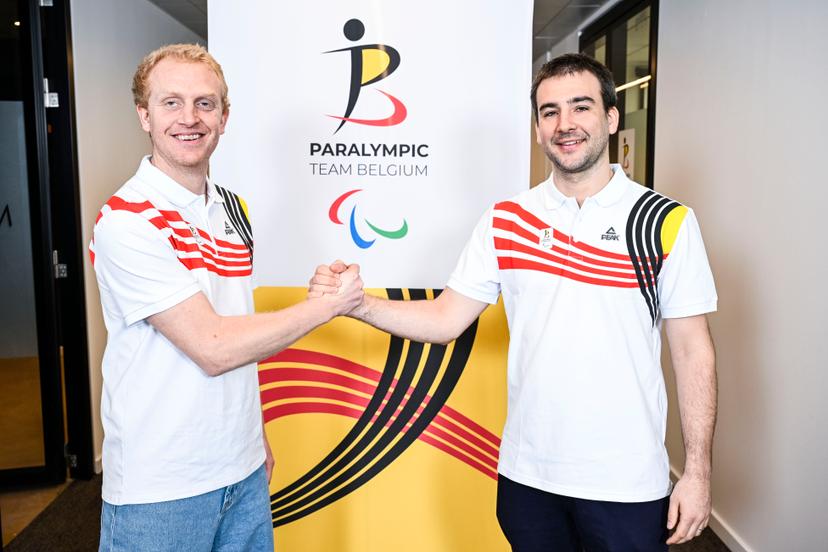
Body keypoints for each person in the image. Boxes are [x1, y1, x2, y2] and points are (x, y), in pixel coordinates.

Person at [312, 53, 717, 550]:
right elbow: (445, 319)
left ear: (611, 118)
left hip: (627, 481)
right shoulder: (506, 220)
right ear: (538, 129)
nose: (565, 124)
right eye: (550, 112)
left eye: (581, 107)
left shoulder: (666, 221)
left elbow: (693, 352)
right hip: (529, 478)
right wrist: (358, 305)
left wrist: (697, 472)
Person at [90, 44, 363, 551]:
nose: (189, 118)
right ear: (144, 116)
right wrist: (324, 306)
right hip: (162, 487)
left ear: (224, 117)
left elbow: (236, 325)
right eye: (171, 103)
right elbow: (213, 346)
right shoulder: (127, 221)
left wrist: (254, 437)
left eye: (205, 103)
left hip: (242, 469)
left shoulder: (232, 208)